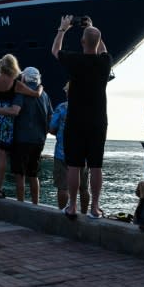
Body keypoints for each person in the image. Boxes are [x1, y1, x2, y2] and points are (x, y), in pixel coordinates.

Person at [51, 15, 113, 220]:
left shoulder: (75, 61)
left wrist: (62, 29)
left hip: (76, 120)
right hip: (98, 121)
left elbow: (55, 51)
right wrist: (94, 28)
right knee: (96, 166)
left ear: (82, 42)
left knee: (74, 165)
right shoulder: (105, 62)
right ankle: (95, 207)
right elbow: (102, 48)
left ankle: (72, 206)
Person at [0, 54, 39, 199]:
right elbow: (35, 94)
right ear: (14, 66)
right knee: (2, 155)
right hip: (5, 120)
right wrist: (41, 87)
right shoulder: (15, 84)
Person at [11, 67, 52, 204]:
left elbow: (15, 111)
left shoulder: (21, 92)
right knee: (34, 174)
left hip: (22, 138)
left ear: (24, 77)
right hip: (39, 139)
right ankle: (36, 204)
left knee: (20, 174)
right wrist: (44, 131)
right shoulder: (45, 95)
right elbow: (50, 116)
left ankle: (20, 203)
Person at [49, 82, 89, 213]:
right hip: (83, 154)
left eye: (66, 91)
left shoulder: (61, 108)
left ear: (68, 93)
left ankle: (62, 212)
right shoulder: (87, 108)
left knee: (63, 187)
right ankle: (84, 213)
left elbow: (52, 128)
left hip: (62, 153)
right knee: (83, 187)